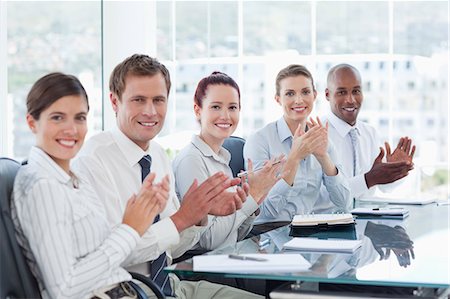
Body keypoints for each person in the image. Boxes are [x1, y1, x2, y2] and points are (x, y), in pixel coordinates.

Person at [74, 55, 262, 299]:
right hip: (130, 292)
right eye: (138, 100)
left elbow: (171, 248)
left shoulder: (157, 155)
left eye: (158, 100)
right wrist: (182, 218)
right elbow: (116, 253)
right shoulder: (93, 161)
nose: (150, 111)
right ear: (114, 101)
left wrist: (199, 214)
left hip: (171, 286)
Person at [12, 72, 169, 299]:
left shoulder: (73, 178)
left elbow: (98, 250)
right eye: (57, 118)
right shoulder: (42, 186)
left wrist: (142, 213)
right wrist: (130, 229)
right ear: (31, 123)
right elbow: (64, 288)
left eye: (80, 118)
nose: (71, 129)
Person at [173, 71, 283, 251]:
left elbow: (234, 235)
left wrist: (254, 199)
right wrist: (251, 197)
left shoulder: (222, 159)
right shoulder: (191, 160)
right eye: (216, 107)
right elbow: (209, 240)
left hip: (229, 261)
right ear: (198, 110)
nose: (225, 116)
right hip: (202, 269)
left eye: (232, 107)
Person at [243, 64, 351, 223]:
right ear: (278, 99)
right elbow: (266, 212)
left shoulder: (321, 139)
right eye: (289, 94)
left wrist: (323, 157)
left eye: (305, 92)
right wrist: (294, 158)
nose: (298, 100)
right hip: (268, 238)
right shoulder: (259, 141)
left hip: (307, 232)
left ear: (314, 95)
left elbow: (344, 203)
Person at [323, 64, 415, 199]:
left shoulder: (369, 133)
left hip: (368, 218)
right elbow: (320, 198)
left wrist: (394, 170)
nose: (350, 100)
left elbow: (384, 187)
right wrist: (368, 179)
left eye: (356, 91)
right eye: (342, 92)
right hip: (331, 219)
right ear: (327, 95)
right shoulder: (315, 134)